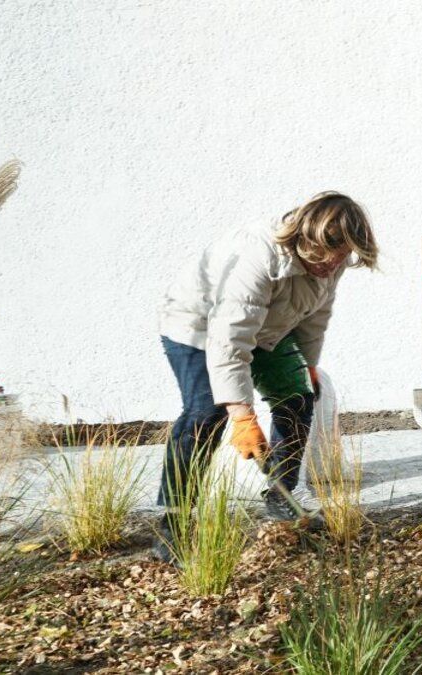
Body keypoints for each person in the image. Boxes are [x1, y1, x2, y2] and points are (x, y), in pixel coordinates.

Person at [154, 192, 378, 561]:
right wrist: (242, 415)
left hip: (267, 327)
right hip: (198, 328)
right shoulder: (257, 256)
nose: (334, 266)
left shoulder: (334, 256)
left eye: (342, 258)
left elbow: (315, 316)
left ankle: (282, 495)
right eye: (327, 258)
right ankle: (172, 521)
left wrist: (307, 364)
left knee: (299, 396)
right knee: (206, 414)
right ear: (307, 239)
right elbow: (229, 339)